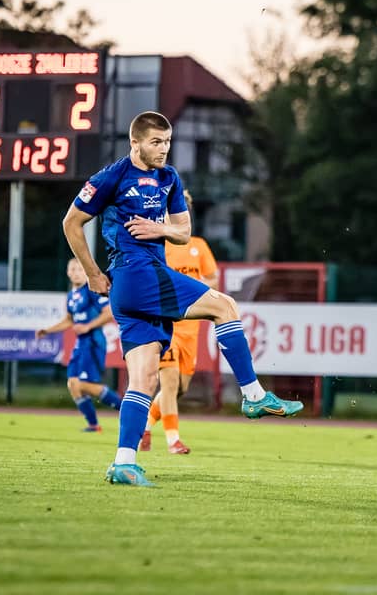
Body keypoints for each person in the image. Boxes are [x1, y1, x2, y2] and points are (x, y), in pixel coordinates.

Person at [62, 110, 303, 487]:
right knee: (225, 306)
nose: (164, 149)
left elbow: (184, 232)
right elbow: (71, 222)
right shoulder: (112, 177)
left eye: (168, 142)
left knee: (144, 379)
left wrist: (159, 228)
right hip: (136, 274)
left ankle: (124, 463)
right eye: (156, 142)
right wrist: (92, 272)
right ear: (135, 143)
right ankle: (254, 395)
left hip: (136, 285)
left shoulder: (169, 178)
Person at [139, 189, 219, 455]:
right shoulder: (158, 245)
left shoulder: (198, 245)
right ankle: (173, 440)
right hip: (167, 325)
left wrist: (194, 291)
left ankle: (145, 426)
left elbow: (213, 279)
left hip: (191, 329)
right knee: (170, 383)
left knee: (180, 388)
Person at [36, 257, 123, 432]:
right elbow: (69, 320)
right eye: (73, 269)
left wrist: (88, 326)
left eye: (80, 269)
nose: (76, 273)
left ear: (86, 272)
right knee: (73, 385)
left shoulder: (92, 290)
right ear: (68, 273)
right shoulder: (71, 296)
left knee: (82, 385)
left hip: (93, 342)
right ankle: (93, 424)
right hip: (80, 344)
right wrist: (48, 330)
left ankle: (129, 410)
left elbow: (109, 313)